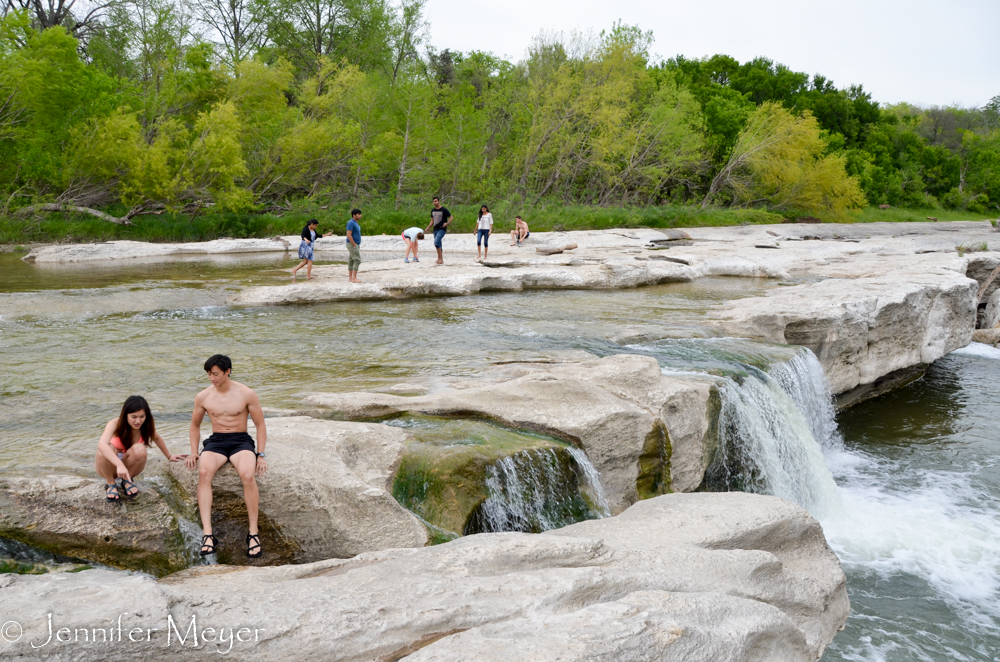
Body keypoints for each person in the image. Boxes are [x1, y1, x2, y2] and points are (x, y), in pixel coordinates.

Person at [185, 355, 268, 559]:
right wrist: (194, 451)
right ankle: (208, 535)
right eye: (209, 374)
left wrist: (261, 454)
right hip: (216, 441)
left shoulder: (246, 394)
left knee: (248, 475)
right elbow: (195, 425)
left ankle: (253, 533)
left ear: (227, 371)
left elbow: (260, 425)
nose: (211, 378)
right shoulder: (203, 397)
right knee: (204, 473)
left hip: (241, 441)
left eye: (215, 374)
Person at [96, 396, 185, 501]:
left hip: (128, 468)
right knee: (107, 448)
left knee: (140, 448)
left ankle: (127, 481)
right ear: (125, 415)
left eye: (142, 416)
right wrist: (119, 464)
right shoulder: (115, 423)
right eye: (134, 417)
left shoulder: (145, 426)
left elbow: (157, 438)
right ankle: (110, 483)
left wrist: (169, 456)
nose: (138, 421)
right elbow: (101, 444)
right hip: (108, 467)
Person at [424, 196, 452, 264]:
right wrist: (428, 227)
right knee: (438, 244)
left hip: (442, 229)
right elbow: (432, 221)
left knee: (436, 242)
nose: (434, 202)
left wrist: (447, 223)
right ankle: (440, 259)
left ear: (439, 201)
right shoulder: (433, 210)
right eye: (433, 201)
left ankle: (440, 258)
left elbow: (451, 217)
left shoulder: (444, 210)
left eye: (436, 201)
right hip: (435, 229)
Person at [346, 209, 363, 283]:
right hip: (352, 244)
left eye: (360, 214)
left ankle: (350, 278)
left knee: (351, 260)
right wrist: (353, 244)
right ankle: (354, 278)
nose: (360, 216)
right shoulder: (351, 223)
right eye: (358, 214)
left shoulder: (356, 223)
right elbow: (349, 234)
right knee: (357, 259)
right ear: (354, 215)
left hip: (355, 244)